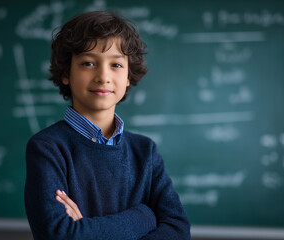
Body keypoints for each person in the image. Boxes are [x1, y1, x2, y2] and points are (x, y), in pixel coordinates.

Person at [24, 11, 190, 240]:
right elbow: (60, 235)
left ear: (129, 76)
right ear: (66, 73)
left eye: (116, 64)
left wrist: (86, 231)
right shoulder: (47, 148)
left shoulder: (145, 151)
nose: (103, 76)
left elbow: (178, 230)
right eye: (88, 63)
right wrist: (143, 217)